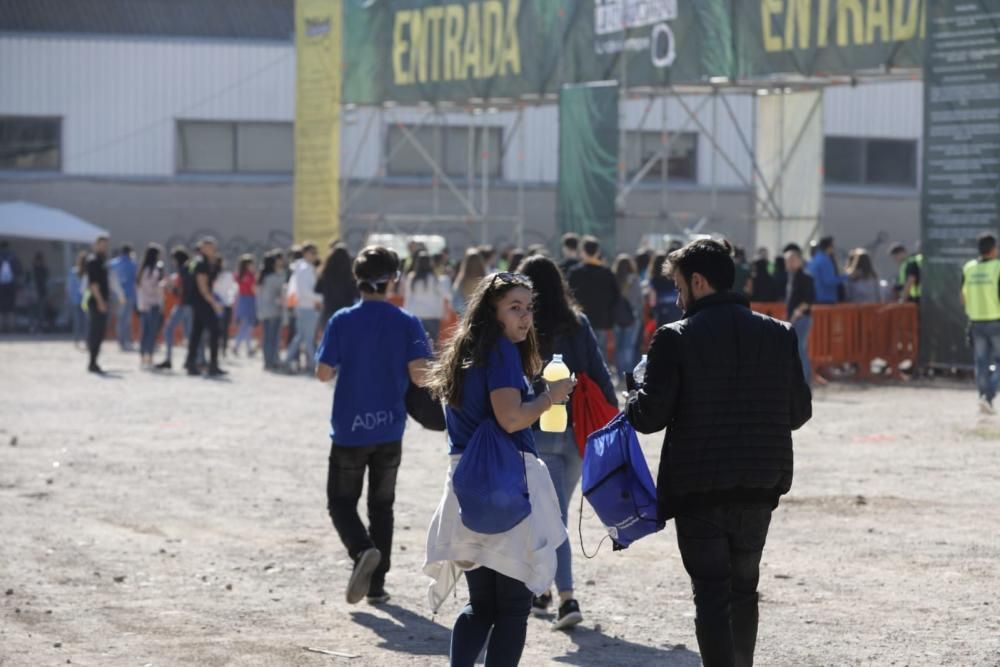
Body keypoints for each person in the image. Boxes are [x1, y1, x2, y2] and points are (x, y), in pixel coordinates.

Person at [626, 239, 812, 667]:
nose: (676, 297)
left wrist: (633, 391)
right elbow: (798, 412)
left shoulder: (674, 338)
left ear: (698, 282)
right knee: (744, 588)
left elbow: (649, 417)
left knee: (710, 593)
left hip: (700, 486)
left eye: (677, 286)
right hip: (761, 481)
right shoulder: (779, 333)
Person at [424, 271, 574, 667]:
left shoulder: (465, 350)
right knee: (511, 608)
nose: (525, 317)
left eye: (528, 308)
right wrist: (550, 397)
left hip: (466, 486)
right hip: (504, 485)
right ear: (493, 313)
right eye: (514, 308)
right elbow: (510, 418)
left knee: (481, 606)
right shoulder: (502, 353)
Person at [315, 246, 433, 605]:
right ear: (393, 279)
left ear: (358, 279)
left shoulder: (342, 320)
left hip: (350, 427)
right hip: (390, 428)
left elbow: (323, 373)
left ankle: (361, 549)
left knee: (341, 502)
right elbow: (420, 375)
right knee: (382, 506)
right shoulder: (408, 322)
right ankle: (377, 586)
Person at [517, 255, 617, 630]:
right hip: (575, 434)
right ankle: (542, 590)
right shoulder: (578, 324)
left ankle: (566, 598)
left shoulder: (522, 328)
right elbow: (598, 372)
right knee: (551, 514)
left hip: (535, 429)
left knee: (548, 517)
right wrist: (614, 417)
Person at [961, 233, 1000, 415]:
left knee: (981, 362)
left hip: (976, 320)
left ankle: (983, 397)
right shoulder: (997, 267)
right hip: (996, 319)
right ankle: (989, 396)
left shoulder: (969, 268)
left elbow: (962, 296)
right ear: (993, 249)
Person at [567, 236, 619, 353]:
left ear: (582, 252)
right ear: (598, 252)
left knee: (580, 351)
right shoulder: (607, 273)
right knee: (599, 353)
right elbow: (615, 297)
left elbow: (568, 295)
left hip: (579, 318)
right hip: (601, 320)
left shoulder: (575, 272)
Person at [184, 237, 225, 377]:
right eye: (210, 247)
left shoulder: (200, 262)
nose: (213, 250)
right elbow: (203, 287)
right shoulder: (201, 263)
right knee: (214, 330)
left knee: (197, 333)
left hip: (199, 301)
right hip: (202, 301)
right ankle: (212, 364)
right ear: (202, 248)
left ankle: (191, 363)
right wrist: (215, 304)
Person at [285, 242, 321, 374]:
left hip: (305, 306)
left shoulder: (303, 267)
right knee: (308, 338)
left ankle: (287, 361)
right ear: (305, 253)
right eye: (313, 253)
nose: (315, 256)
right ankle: (314, 364)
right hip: (307, 307)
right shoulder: (305, 268)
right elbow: (305, 291)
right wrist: (321, 298)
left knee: (301, 337)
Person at [156, 247, 192, 370]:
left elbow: (181, 290)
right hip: (188, 305)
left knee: (169, 329)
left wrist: (171, 288)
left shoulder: (183, 270)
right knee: (188, 334)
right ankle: (191, 359)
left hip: (183, 305)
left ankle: (169, 359)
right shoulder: (189, 269)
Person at [784, 244, 815, 386]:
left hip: (802, 318)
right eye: (787, 260)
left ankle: (806, 381)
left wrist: (796, 314)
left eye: (792, 260)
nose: (789, 263)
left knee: (800, 349)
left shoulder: (805, 277)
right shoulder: (792, 277)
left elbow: (808, 300)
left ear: (799, 260)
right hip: (794, 318)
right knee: (797, 349)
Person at [404, 250, 448, 345]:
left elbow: (408, 298)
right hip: (432, 314)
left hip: (416, 314)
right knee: (432, 344)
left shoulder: (412, 278)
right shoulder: (434, 278)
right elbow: (446, 294)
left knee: (417, 343)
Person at [612, 253, 644, 381]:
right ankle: (628, 374)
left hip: (617, 317)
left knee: (619, 346)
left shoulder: (614, 279)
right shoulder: (635, 279)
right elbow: (639, 300)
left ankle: (620, 374)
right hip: (633, 317)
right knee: (629, 346)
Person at [85, 235, 111, 373]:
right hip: (96, 302)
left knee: (99, 333)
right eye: (102, 245)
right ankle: (92, 362)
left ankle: (94, 361)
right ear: (96, 245)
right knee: (95, 332)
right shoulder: (93, 261)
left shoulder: (102, 261)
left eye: (106, 245)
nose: (104, 247)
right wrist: (100, 302)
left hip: (102, 301)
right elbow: (94, 285)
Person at [136, 243, 165, 368]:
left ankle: (143, 357)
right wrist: (162, 285)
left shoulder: (142, 270)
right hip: (153, 304)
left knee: (145, 332)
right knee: (151, 332)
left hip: (143, 305)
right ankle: (149, 357)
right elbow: (154, 288)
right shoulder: (154, 271)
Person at [256, 251, 286, 370]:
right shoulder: (276, 277)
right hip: (274, 310)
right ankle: (273, 361)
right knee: (273, 337)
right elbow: (281, 293)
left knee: (267, 337)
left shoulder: (263, 277)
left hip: (264, 311)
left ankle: (267, 361)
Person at [316, 243, 358, 325]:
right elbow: (355, 293)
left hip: (329, 310)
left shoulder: (326, 274)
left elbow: (318, 289)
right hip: (347, 311)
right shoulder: (349, 275)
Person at [109, 244, 138, 351]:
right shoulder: (133, 264)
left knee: (119, 319)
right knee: (127, 319)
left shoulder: (112, 263)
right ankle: (127, 341)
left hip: (116, 295)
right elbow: (136, 279)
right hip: (129, 294)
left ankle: (120, 341)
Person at [806, 236, 848, 305]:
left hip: (816, 298)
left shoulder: (814, 259)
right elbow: (829, 281)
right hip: (826, 299)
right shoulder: (825, 260)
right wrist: (847, 276)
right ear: (829, 247)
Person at [647, 253, 683, 327]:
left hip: (662, 313)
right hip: (676, 311)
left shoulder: (654, 281)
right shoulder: (674, 278)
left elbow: (652, 301)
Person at [232, 254, 258, 357]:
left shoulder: (238, 275)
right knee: (247, 326)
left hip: (241, 300)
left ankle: (248, 348)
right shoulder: (250, 276)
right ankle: (237, 346)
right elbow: (254, 290)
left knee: (246, 326)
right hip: (249, 300)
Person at [452, 249, 487, 317]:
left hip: (465, 317)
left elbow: (455, 302)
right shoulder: (485, 280)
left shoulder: (461, 280)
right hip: (482, 317)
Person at [214, 257, 236, 358]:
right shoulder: (213, 274)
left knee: (223, 328)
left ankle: (222, 349)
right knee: (219, 329)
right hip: (218, 304)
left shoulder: (227, 275)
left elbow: (232, 289)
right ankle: (219, 349)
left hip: (223, 304)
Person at [66, 251, 87, 348]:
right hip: (84, 299)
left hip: (76, 299)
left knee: (78, 321)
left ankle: (77, 340)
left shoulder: (73, 271)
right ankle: (85, 340)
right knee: (85, 321)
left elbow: (69, 287)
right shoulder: (84, 272)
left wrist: (70, 297)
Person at [0, 240, 21, 332]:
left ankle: (1, 327)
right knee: (11, 307)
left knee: (1, 308)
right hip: (11, 284)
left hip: (1, 285)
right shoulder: (13, 257)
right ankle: (11, 328)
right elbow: (19, 270)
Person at [30, 251, 50, 332]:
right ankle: (38, 327)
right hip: (39, 292)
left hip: (37, 292)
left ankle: (36, 327)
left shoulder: (34, 269)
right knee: (39, 311)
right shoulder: (41, 269)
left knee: (36, 311)